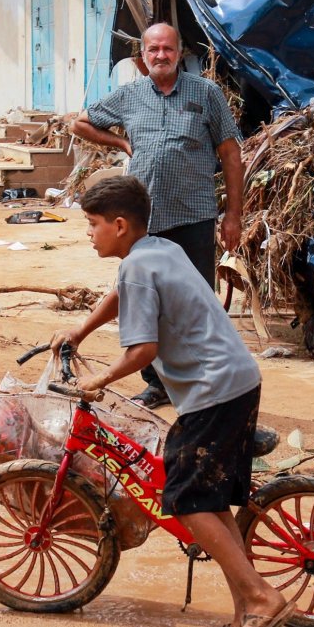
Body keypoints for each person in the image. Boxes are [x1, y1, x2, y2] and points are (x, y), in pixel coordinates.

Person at [54, 175, 289, 627]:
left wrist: (97, 382)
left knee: (182, 500)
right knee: (212, 503)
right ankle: (247, 617)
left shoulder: (139, 268)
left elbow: (143, 350)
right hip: (236, 379)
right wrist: (81, 330)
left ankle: (264, 598)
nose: (89, 234)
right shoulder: (158, 250)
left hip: (213, 391)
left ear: (119, 226)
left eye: (93, 225)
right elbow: (122, 294)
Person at [70, 23, 244, 407]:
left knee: (195, 300)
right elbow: (79, 122)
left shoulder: (206, 93)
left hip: (194, 215)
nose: (161, 55)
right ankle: (156, 382)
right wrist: (120, 141)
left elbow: (231, 155)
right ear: (142, 57)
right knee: (143, 301)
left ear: (180, 53)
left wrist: (234, 215)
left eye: (168, 48)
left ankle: (205, 380)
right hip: (142, 223)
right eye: (153, 50)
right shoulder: (129, 96)